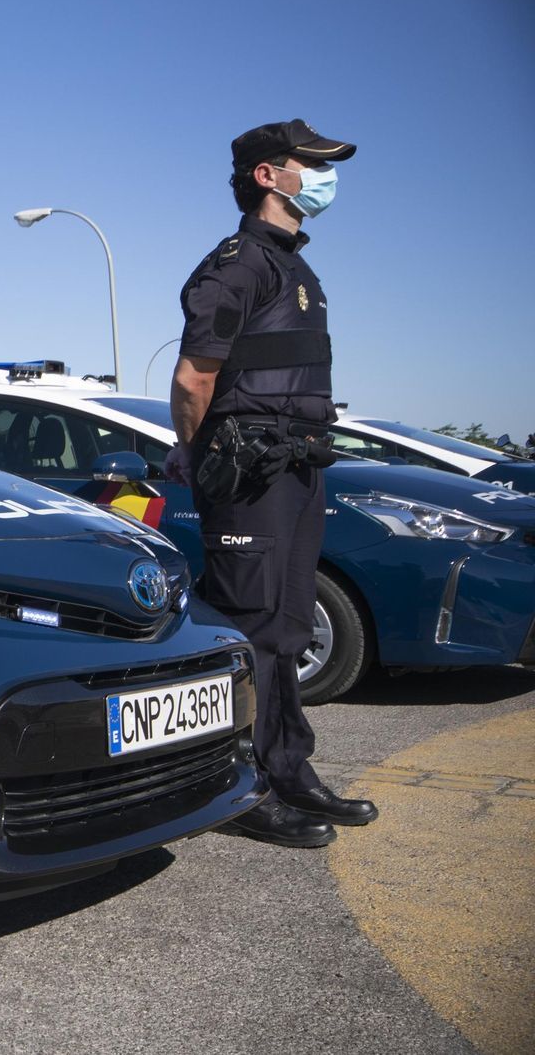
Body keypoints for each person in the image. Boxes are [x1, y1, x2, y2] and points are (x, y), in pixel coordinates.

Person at [163, 119, 378, 847]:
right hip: (248, 472)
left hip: (296, 467)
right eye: (309, 164)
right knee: (250, 627)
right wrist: (191, 451)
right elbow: (195, 376)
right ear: (268, 175)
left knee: (285, 625)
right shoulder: (236, 265)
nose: (323, 176)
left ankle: (289, 768)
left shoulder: (295, 268)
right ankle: (240, 786)